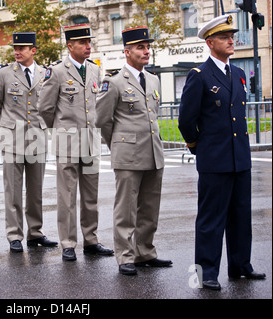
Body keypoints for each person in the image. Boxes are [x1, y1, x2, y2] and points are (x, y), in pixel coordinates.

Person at [178, 15, 266, 290]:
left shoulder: (238, 74)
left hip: (239, 158)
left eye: (232, 35)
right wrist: (197, 146)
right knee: (211, 219)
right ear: (210, 42)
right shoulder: (200, 76)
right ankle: (206, 272)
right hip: (214, 160)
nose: (232, 40)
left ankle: (241, 265)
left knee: (241, 215)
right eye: (225, 37)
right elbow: (185, 120)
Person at [96, 27, 172, 275]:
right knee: (126, 210)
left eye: (147, 47)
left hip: (152, 153)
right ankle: (126, 256)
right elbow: (103, 120)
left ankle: (145, 252)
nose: (146, 51)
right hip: (128, 155)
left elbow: (153, 116)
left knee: (150, 208)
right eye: (140, 47)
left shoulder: (153, 79)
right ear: (127, 51)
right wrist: (118, 144)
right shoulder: (114, 82)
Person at [38, 24, 113, 261]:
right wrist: (61, 129)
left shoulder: (94, 70)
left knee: (91, 196)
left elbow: (98, 105)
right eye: (82, 43)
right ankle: (68, 243)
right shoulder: (57, 71)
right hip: (68, 142)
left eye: (89, 42)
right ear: (70, 46)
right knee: (67, 196)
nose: (88, 46)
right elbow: (45, 108)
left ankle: (91, 240)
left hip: (90, 141)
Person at [0, 32, 57, 252]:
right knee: (13, 190)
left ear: (33, 50)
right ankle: (14, 235)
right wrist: (7, 124)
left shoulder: (45, 73)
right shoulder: (4, 73)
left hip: (37, 135)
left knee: (36, 190)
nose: (17, 52)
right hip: (12, 136)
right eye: (15, 48)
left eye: (22, 48)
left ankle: (35, 232)